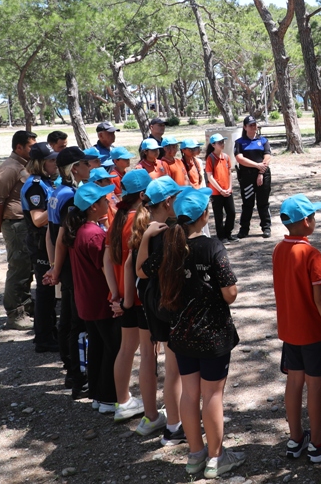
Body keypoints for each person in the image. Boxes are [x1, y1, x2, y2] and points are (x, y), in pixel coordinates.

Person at [162, 186, 246, 478]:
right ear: (204, 215)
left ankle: (195, 454)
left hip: (181, 335)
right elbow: (230, 293)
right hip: (213, 337)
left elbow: (146, 271)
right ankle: (216, 457)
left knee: (190, 392)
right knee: (212, 394)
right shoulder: (212, 247)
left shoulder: (169, 244)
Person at [273, 194, 321, 463]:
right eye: (313, 216)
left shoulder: (279, 249)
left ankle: (295, 439)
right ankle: (318, 445)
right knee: (315, 386)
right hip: (312, 332)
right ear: (306, 221)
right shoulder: (310, 253)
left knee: (293, 382)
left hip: (289, 331)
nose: (315, 219)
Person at [135, 176, 187, 446]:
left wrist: (144, 237)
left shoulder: (149, 228)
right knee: (174, 367)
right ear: (168, 202)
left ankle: (170, 419)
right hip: (167, 304)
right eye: (176, 198)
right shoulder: (167, 233)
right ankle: (174, 426)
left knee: (168, 362)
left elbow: (137, 270)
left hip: (152, 302)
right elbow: (142, 271)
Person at [65, 181, 121, 413]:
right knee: (113, 347)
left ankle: (98, 394)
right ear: (91, 207)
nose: (107, 201)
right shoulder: (95, 235)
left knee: (97, 347)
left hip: (86, 300)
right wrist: (116, 296)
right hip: (101, 301)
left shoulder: (79, 231)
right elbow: (105, 269)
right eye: (102, 200)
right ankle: (108, 397)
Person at [42, 146, 92, 395]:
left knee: (68, 320)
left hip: (63, 267)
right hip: (72, 269)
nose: (90, 167)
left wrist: (53, 266)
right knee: (76, 323)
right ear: (75, 168)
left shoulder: (55, 192)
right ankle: (76, 373)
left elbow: (49, 237)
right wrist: (58, 268)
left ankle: (70, 368)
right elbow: (61, 237)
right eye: (86, 163)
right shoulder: (71, 197)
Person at [105, 169, 153, 426]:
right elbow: (131, 264)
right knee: (147, 352)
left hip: (122, 295)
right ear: (144, 195)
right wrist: (125, 298)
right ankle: (151, 410)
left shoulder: (117, 217)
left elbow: (106, 259)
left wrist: (115, 293)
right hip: (137, 298)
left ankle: (122, 402)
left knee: (126, 349)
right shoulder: (142, 221)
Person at [0, 130, 35, 330]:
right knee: (18, 267)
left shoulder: (23, 165)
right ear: (19, 147)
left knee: (27, 266)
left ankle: (26, 307)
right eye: (30, 146)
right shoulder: (10, 168)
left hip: (23, 223)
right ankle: (14, 314)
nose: (33, 149)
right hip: (14, 224)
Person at [20, 142, 60, 353]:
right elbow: (37, 219)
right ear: (40, 163)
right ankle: (43, 338)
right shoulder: (36, 185)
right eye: (51, 160)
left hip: (47, 242)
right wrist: (58, 203)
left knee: (50, 292)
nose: (55, 163)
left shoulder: (46, 182)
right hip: (40, 244)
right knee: (45, 292)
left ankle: (49, 332)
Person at [235, 114, 273, 239]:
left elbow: (267, 156)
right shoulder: (239, 142)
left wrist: (260, 172)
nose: (253, 127)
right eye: (250, 125)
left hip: (263, 175)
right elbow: (240, 158)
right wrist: (256, 165)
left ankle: (266, 227)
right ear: (245, 127)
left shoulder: (263, 141)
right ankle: (244, 229)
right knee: (247, 204)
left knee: (263, 203)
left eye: (255, 124)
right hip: (247, 177)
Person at [206, 134, 237, 243]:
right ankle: (221, 236)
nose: (222, 144)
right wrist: (220, 190)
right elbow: (210, 177)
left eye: (223, 142)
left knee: (231, 213)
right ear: (213, 145)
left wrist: (229, 187)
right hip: (216, 193)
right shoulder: (210, 158)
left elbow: (229, 174)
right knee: (218, 215)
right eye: (220, 142)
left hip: (227, 191)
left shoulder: (227, 157)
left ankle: (228, 233)